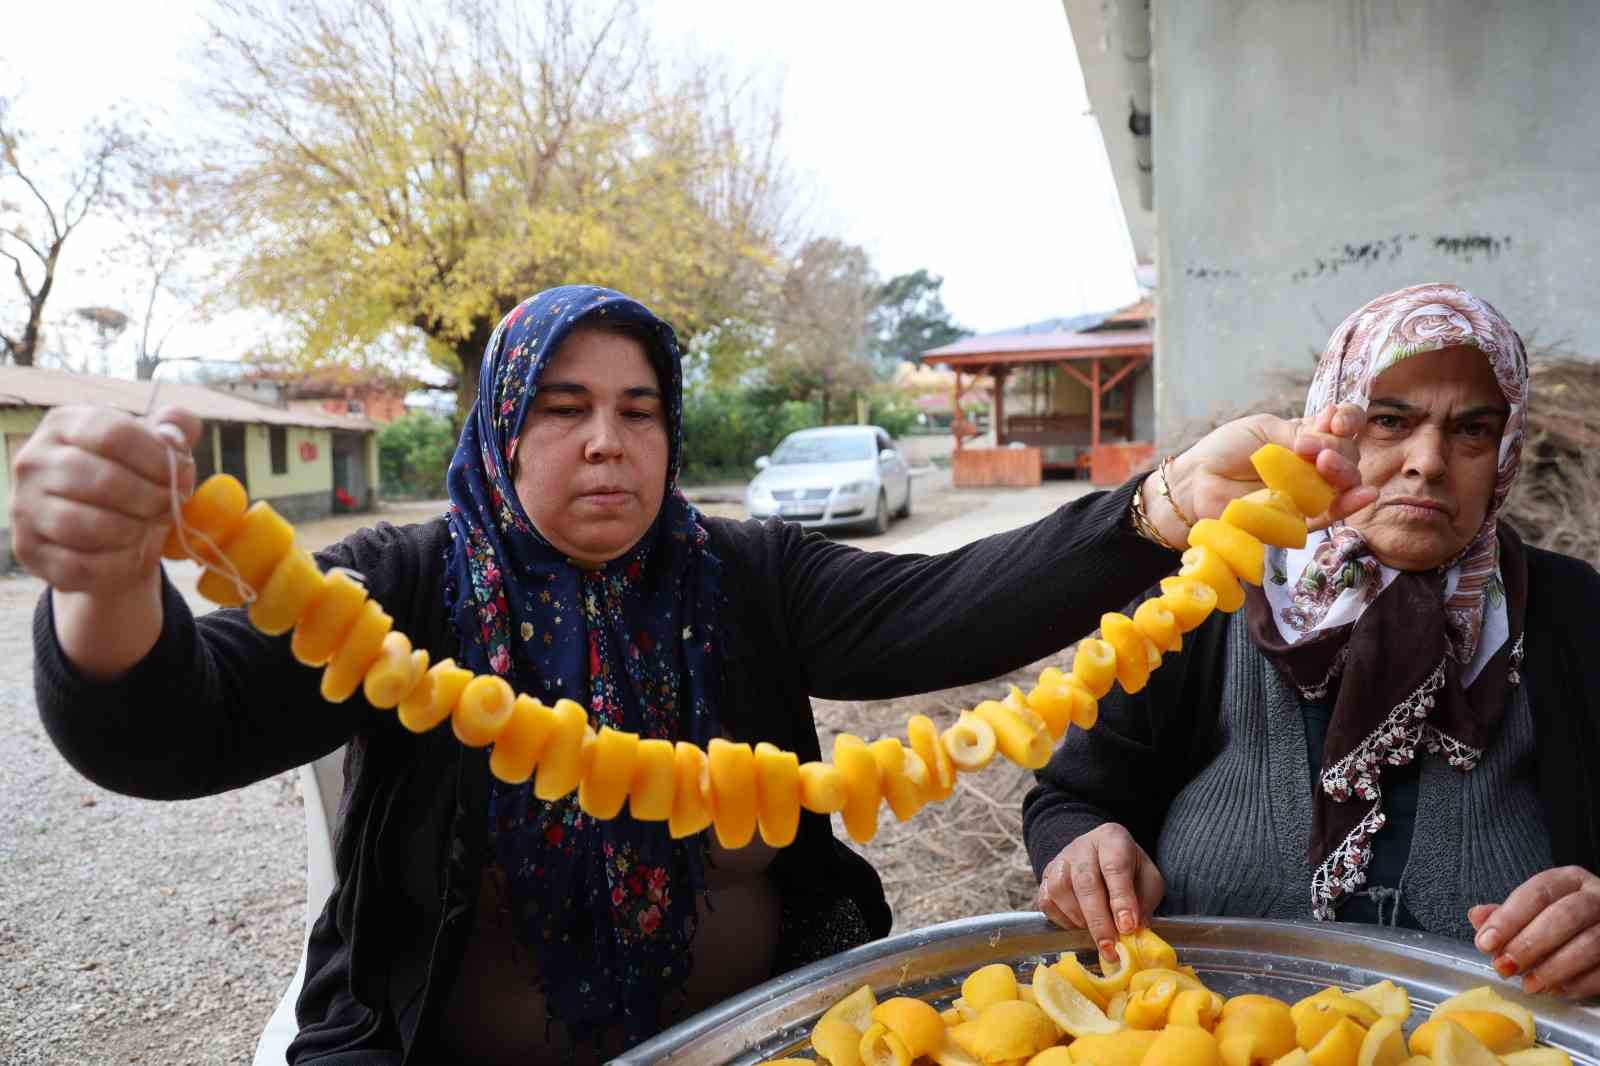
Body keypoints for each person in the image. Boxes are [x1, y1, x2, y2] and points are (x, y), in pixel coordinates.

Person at [21, 285, 1367, 1063]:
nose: (608, 443)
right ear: (496, 428)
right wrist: (103, 586)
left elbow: (952, 608)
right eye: (562, 408)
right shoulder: (391, 589)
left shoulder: (750, 578)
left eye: (641, 408)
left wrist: (1157, 507)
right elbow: (170, 728)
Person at [1025, 283, 1600, 1002]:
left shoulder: (1571, 612)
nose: (1428, 461)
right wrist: (1081, 852)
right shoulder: (1211, 589)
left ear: (1506, 451)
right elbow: (1070, 799)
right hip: (1216, 1042)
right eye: (1390, 420)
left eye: (1472, 431)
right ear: (1331, 428)